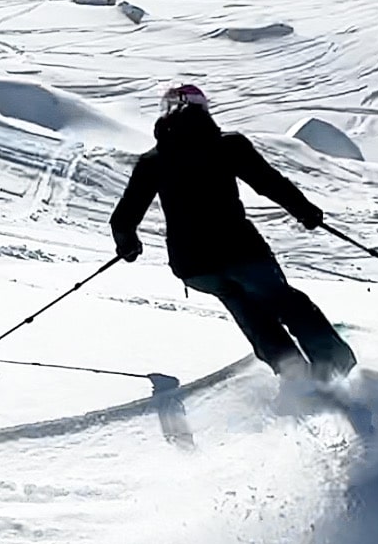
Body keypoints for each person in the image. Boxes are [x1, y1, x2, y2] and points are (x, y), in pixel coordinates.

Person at [109, 83, 356, 382]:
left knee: (250, 313)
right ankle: (339, 368)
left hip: (194, 265)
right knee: (287, 303)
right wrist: (306, 212)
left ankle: (295, 376)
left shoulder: (153, 161)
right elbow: (269, 183)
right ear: (203, 109)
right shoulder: (228, 145)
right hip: (240, 250)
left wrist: (128, 246)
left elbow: (123, 219)